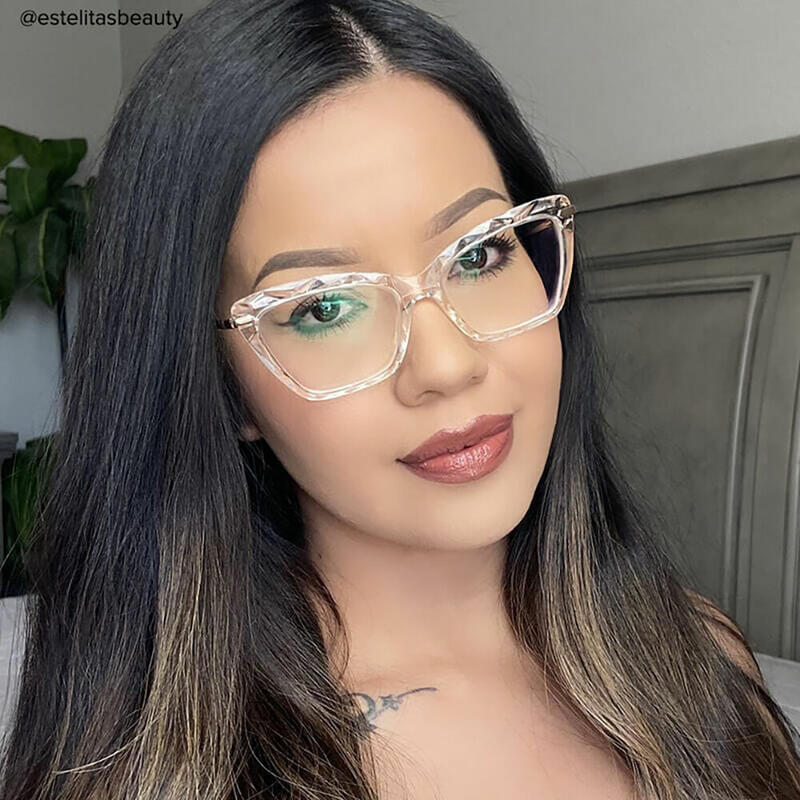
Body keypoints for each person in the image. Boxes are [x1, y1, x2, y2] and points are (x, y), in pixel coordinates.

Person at [1, 1, 798, 798]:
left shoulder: (702, 659)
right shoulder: (173, 774)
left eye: (479, 254)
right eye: (324, 307)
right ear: (222, 387)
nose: (446, 365)